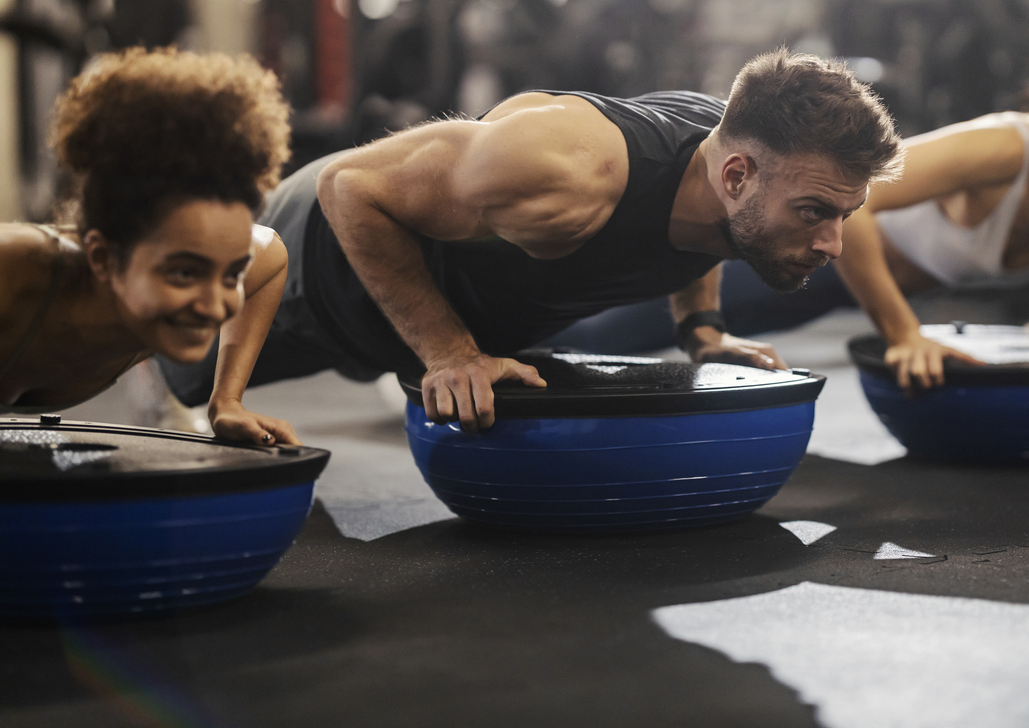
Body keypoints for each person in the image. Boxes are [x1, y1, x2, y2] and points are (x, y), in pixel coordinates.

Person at [161, 49, 904, 432]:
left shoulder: (736, 166)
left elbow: (712, 233)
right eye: (816, 213)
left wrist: (700, 328)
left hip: (405, 320)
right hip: (312, 269)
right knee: (171, 364)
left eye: (846, 213)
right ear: (737, 174)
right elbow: (350, 190)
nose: (835, 242)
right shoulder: (565, 172)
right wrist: (448, 352)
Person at [552, 25, 1029, 389]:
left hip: (826, 288)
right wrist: (903, 333)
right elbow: (851, 203)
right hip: (787, 247)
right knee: (595, 333)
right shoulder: (1007, 147)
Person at [0, 47, 300, 446]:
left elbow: (271, 254)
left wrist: (226, 400)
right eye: (184, 273)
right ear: (103, 259)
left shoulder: (209, 277)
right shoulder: (13, 278)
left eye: (231, 275)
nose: (214, 305)